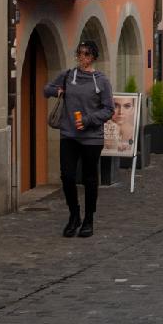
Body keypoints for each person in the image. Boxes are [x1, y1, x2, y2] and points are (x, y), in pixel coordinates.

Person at [44, 39, 115, 238]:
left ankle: (88, 219)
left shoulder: (101, 80)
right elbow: (46, 89)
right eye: (80, 53)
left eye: (86, 54)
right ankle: (73, 215)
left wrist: (88, 120)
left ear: (93, 57)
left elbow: (109, 109)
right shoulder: (68, 75)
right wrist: (57, 90)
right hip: (69, 134)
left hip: (92, 137)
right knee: (67, 176)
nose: (82, 57)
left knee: (89, 178)